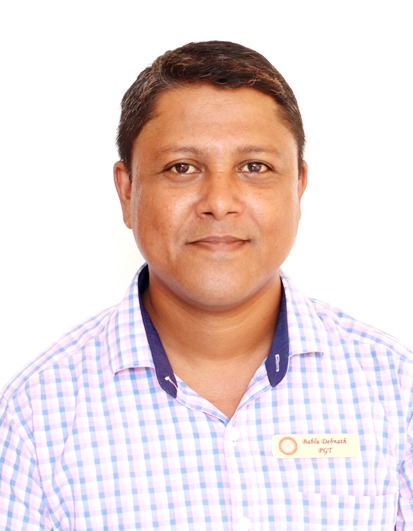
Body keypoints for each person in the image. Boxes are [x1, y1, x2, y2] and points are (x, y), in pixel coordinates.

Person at [0, 40, 412, 530]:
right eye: (182, 167)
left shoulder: (396, 390)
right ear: (127, 190)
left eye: (254, 167)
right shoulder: (36, 417)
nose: (219, 201)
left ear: (298, 186)